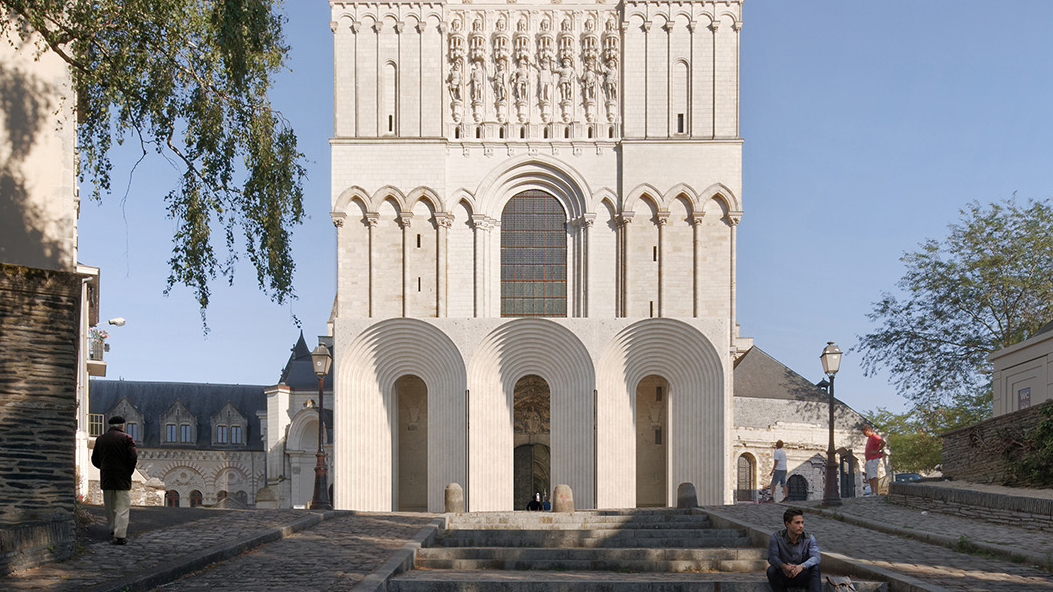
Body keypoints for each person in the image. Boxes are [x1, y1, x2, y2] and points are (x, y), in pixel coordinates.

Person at [91, 416, 138, 545]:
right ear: (122, 425)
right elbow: (133, 458)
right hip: (122, 476)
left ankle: (112, 529)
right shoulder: (127, 439)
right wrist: (128, 471)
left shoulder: (101, 439)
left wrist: (104, 467)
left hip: (107, 476)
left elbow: (95, 460)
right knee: (122, 506)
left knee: (110, 506)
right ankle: (120, 534)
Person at [767, 508, 821, 592]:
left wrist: (801, 566)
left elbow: (816, 557)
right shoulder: (777, 537)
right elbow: (772, 557)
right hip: (785, 574)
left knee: (815, 569)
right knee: (771, 570)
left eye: (802, 522)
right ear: (787, 524)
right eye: (797, 523)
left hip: (802, 573)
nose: (801, 526)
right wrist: (784, 567)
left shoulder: (809, 538)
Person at [863, 425, 885, 496]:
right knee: (869, 477)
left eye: (864, 433)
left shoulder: (875, 437)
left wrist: (877, 451)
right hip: (868, 459)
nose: (864, 434)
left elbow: (883, 442)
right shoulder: (869, 438)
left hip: (873, 459)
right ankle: (872, 492)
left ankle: (876, 491)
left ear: (868, 431)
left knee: (873, 475)